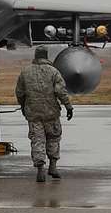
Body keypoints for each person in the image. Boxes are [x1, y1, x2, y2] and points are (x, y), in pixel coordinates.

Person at [15, 46, 73, 183]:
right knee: (53, 139)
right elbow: (61, 92)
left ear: (35, 56)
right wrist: (68, 107)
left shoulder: (25, 72)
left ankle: (40, 169)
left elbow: (20, 93)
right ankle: (53, 167)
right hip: (51, 113)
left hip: (33, 113)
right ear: (46, 56)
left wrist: (23, 106)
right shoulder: (54, 72)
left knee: (37, 140)